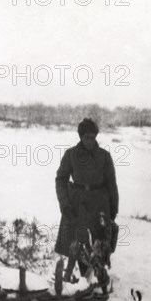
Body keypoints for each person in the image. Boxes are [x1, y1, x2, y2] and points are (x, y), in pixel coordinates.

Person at [55, 118, 119, 277]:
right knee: (77, 243)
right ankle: (82, 277)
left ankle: (98, 275)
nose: (90, 141)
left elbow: (112, 184)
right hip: (78, 204)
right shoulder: (71, 155)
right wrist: (65, 205)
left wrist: (113, 209)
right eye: (86, 138)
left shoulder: (104, 156)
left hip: (99, 204)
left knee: (100, 243)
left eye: (93, 137)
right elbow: (61, 180)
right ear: (80, 137)